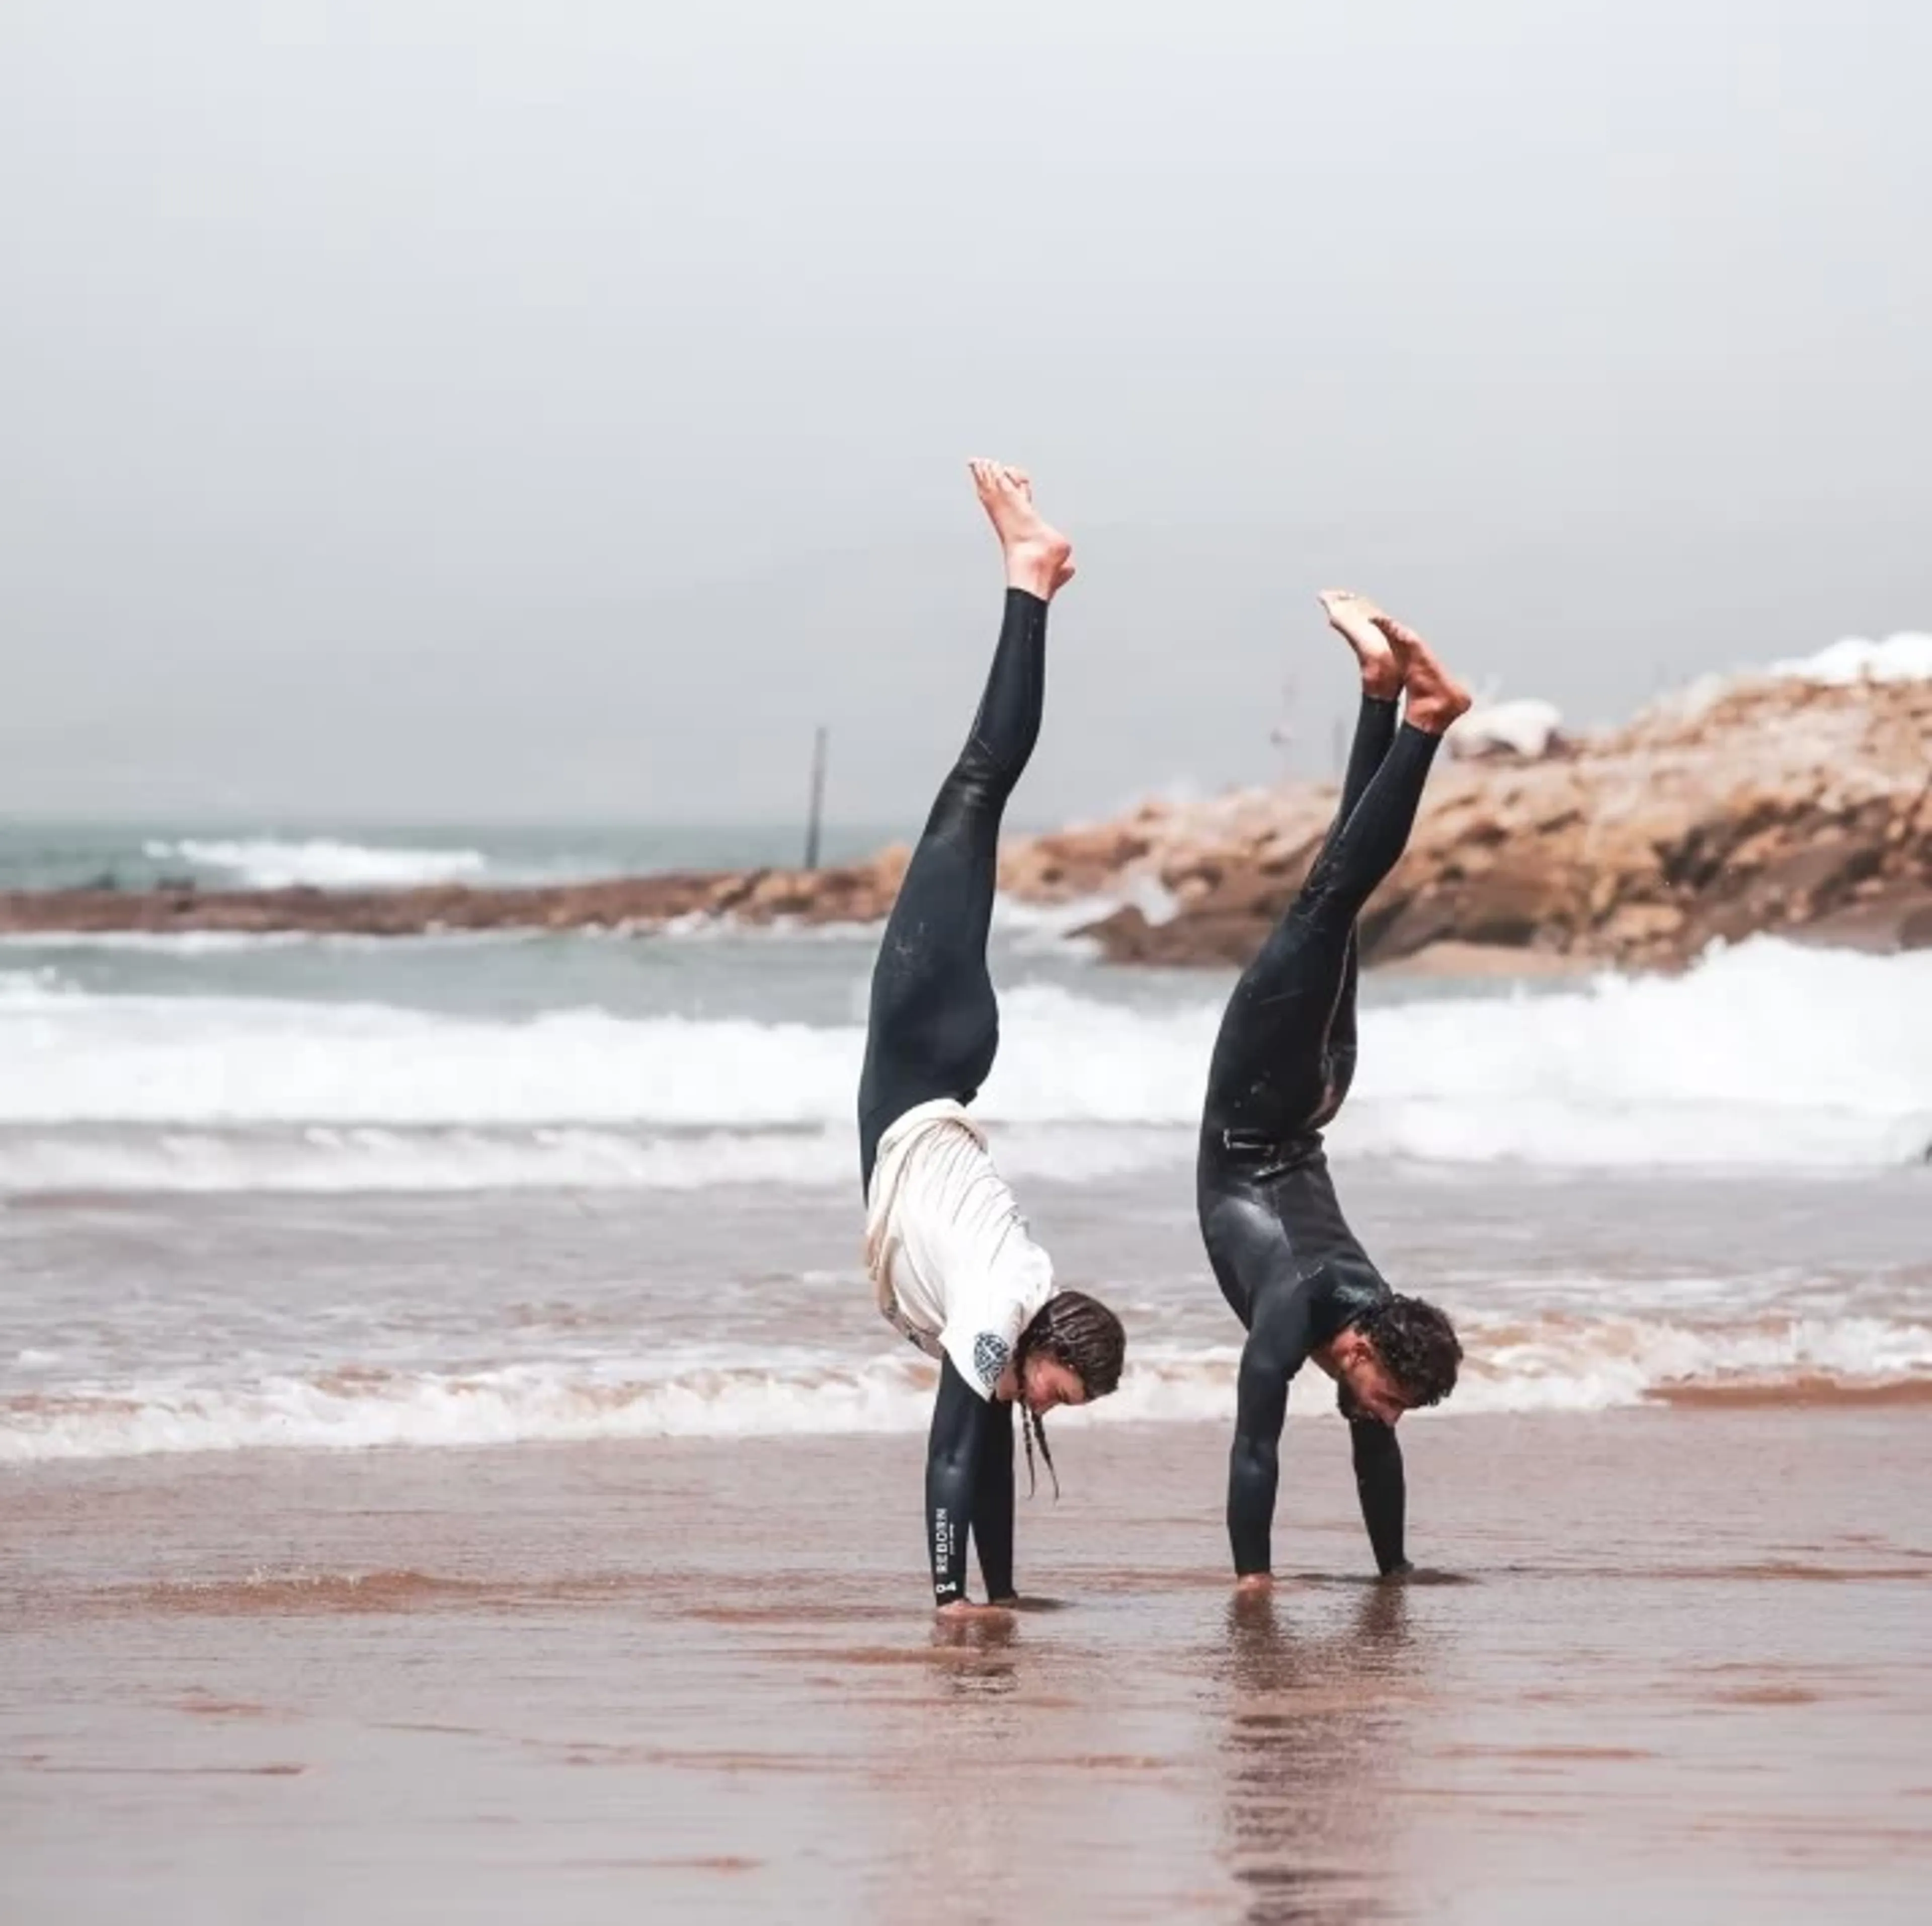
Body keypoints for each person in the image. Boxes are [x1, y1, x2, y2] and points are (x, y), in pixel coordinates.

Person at [859, 459, 1127, 1618]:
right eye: (1061, 1397)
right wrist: (945, 1603)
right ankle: (1031, 578)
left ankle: (1033, 576)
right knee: (973, 791)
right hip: (923, 1054)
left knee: (973, 800)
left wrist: (1001, 1597)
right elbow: (952, 1455)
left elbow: (988, 1457)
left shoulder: (1012, 1308)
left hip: (947, 1060)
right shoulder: (993, 1312)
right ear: (1051, 1349)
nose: (1048, 1408)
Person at [1197, 591, 1469, 1589]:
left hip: (1317, 1097)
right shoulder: (1302, 1302)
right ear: (1365, 1346)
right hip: (1266, 1096)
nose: (1385, 1415)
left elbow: (1374, 1451)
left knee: (1338, 904)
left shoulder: (1370, 1323)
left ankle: (1378, 693)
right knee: (1327, 901)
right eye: (1391, 1395)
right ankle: (1428, 721)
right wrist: (1253, 1585)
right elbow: (1254, 1444)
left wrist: (1395, 1571)